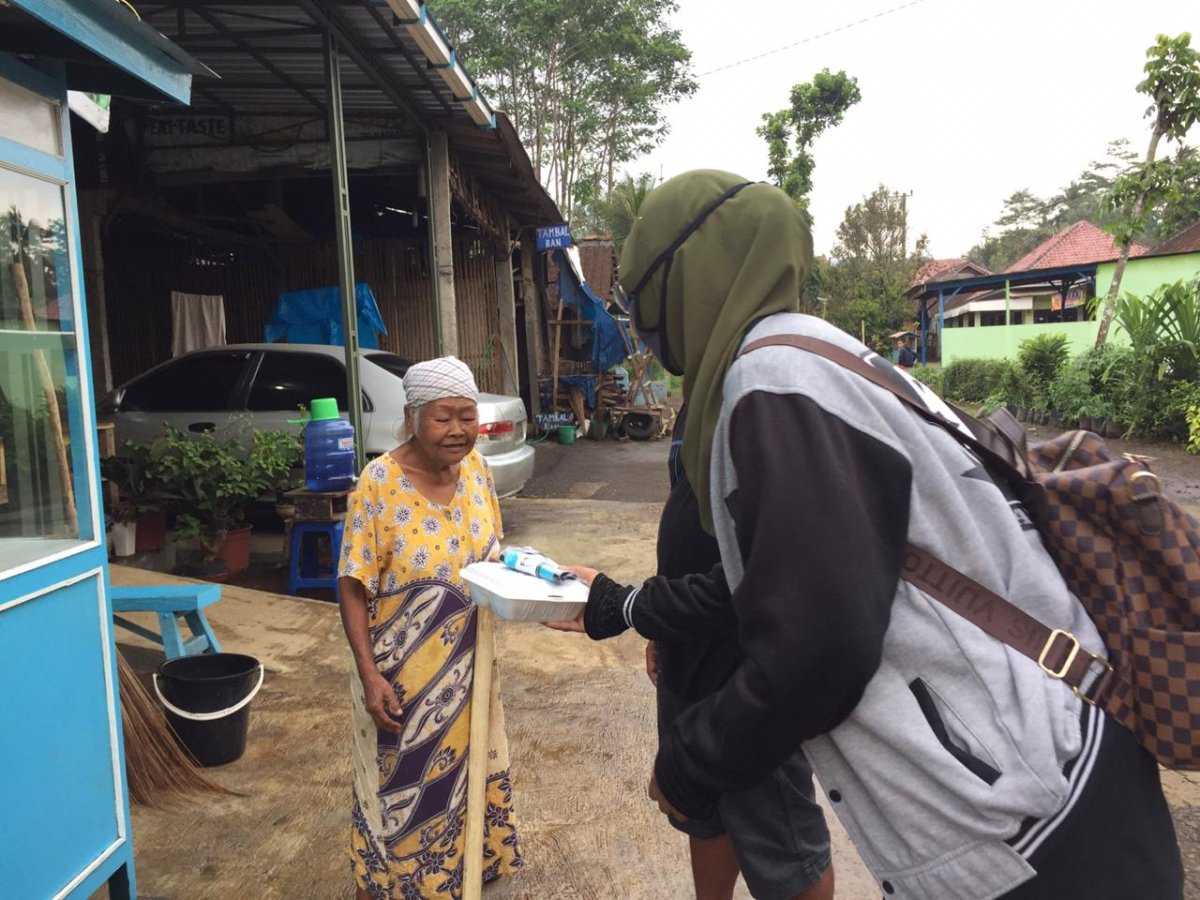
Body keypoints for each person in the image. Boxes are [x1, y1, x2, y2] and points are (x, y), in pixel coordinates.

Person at [565, 170, 1183, 899]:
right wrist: (633, 609)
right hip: (1057, 769)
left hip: (1024, 813)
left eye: (640, 295)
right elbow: (781, 584)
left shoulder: (774, 385)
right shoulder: (819, 357)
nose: (639, 321)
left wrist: (690, 764)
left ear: (691, 273)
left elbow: (817, 642)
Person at [551, 405, 833, 900]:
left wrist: (628, 606)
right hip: (689, 649)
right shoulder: (698, 404)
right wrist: (660, 626)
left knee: (784, 846)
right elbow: (695, 533)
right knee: (702, 812)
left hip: (748, 675)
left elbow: (763, 581)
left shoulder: (759, 403)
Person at [337, 356, 523, 899]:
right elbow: (352, 583)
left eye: (467, 416)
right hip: (400, 678)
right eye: (444, 417)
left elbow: (492, 558)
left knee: (470, 773)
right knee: (403, 790)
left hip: (472, 665)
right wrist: (370, 675)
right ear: (412, 415)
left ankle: (462, 875)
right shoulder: (378, 484)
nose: (458, 430)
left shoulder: (478, 474)